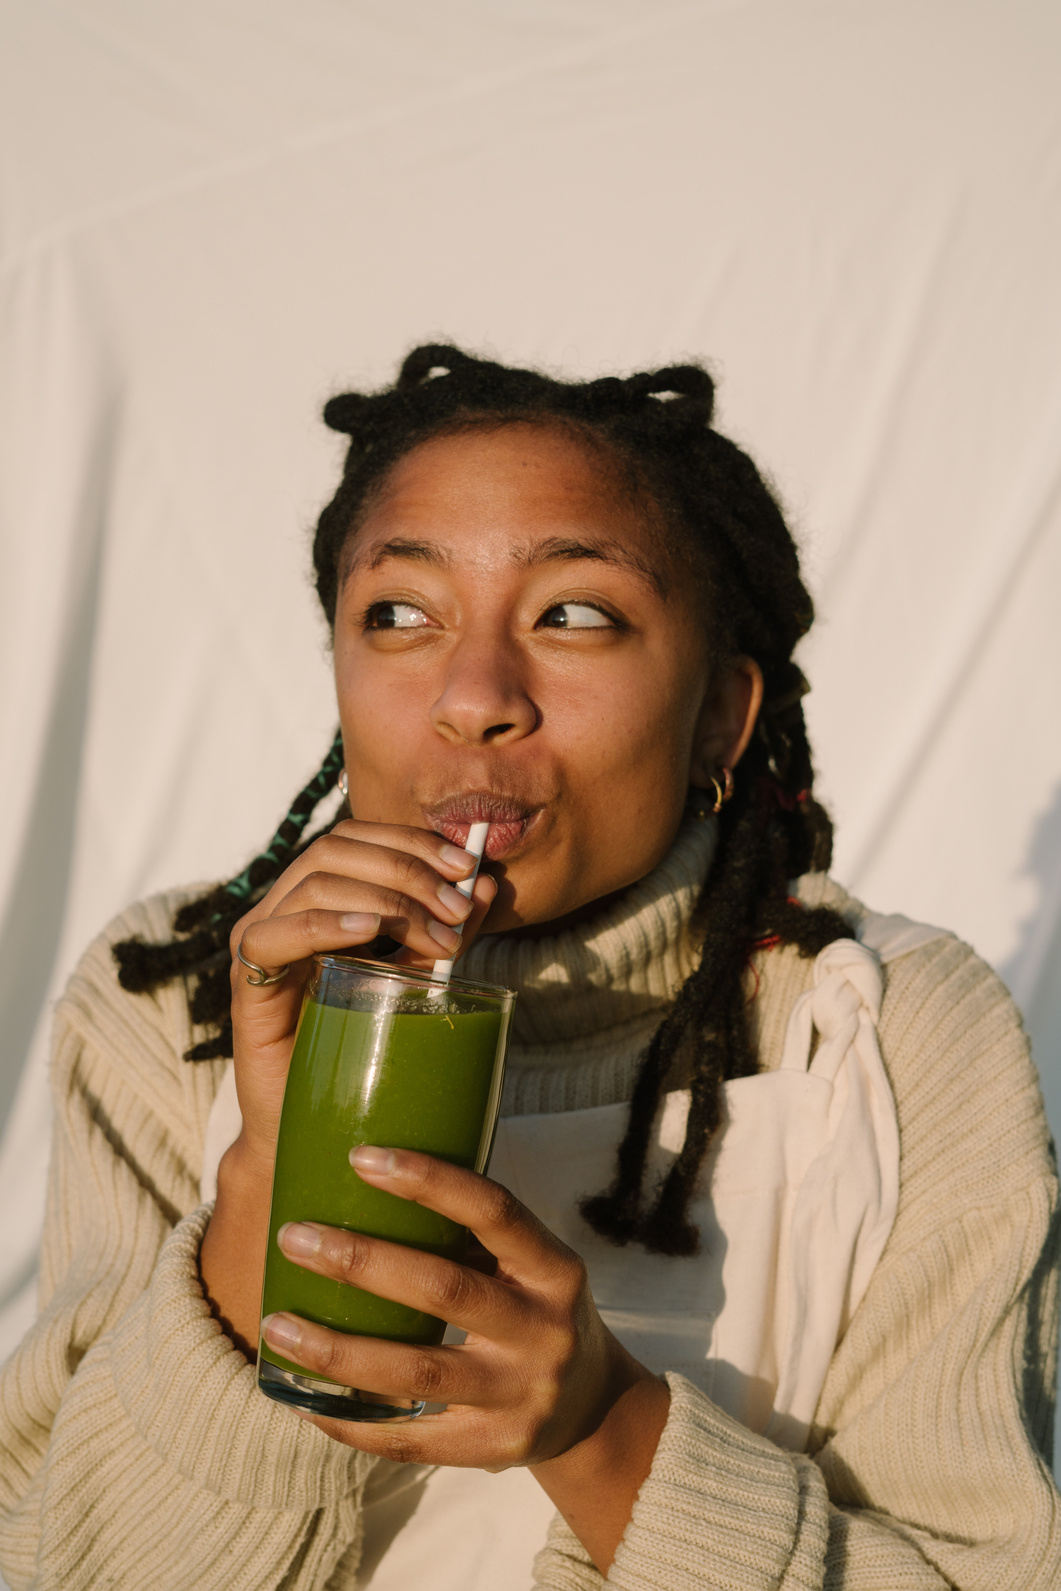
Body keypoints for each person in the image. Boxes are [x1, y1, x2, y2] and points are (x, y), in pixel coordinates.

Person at [0, 345, 1058, 1591]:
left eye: (573, 614)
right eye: (399, 614)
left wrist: (604, 1431)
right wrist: (263, 1185)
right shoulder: (169, 1010)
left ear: (719, 713)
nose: (473, 696)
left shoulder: (880, 1035)